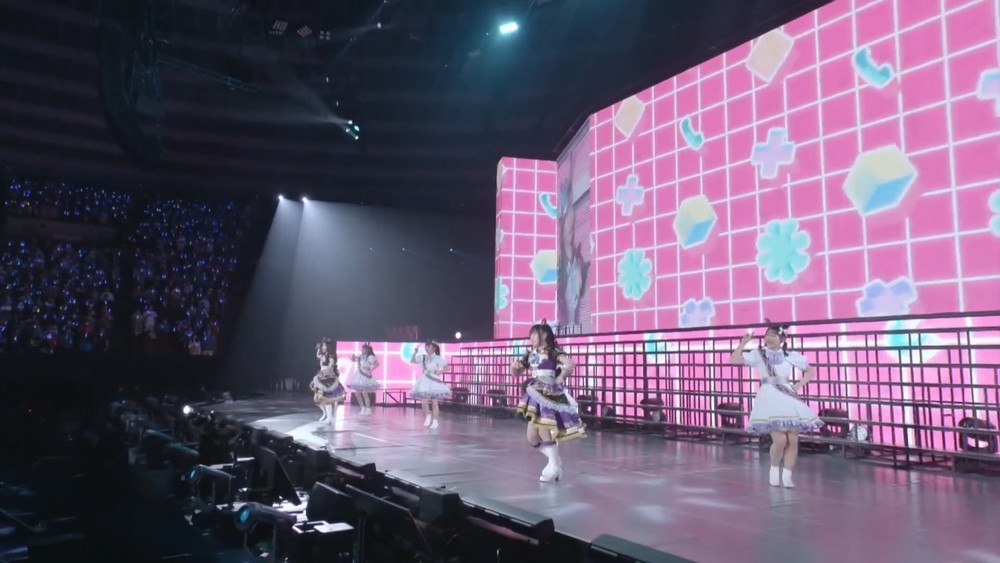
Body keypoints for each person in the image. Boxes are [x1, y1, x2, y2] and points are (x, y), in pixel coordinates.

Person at [729, 320, 823, 488]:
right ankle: (774, 469)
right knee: (780, 440)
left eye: (773, 335)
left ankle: (787, 476)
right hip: (770, 396)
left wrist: (798, 386)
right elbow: (734, 360)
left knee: (792, 440)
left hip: (787, 396)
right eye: (768, 335)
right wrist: (743, 343)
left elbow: (810, 370)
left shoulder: (789, 355)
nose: (769, 338)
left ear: (782, 339)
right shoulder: (759, 354)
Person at [512, 322, 586, 483]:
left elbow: (569, 363)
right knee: (532, 437)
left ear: (544, 335)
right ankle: (555, 461)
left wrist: (562, 376)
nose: (531, 338)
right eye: (530, 335)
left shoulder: (552, 352)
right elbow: (517, 372)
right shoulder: (530, 354)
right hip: (535, 392)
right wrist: (514, 367)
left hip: (548, 393)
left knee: (543, 426)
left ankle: (553, 467)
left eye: (534, 334)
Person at [410, 341, 450, 429]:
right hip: (424, 380)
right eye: (426, 347)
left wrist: (440, 371)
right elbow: (412, 360)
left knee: (434, 402)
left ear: (434, 348)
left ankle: (435, 421)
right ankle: (428, 415)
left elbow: (447, 367)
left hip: (434, 380)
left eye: (428, 347)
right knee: (424, 402)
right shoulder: (423, 357)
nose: (426, 348)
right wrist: (415, 352)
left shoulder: (438, 358)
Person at [311, 338, 346, 424]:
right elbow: (318, 356)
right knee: (317, 399)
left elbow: (330, 366)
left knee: (326, 398)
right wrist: (318, 348)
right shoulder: (324, 355)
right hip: (322, 378)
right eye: (322, 345)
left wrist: (323, 372)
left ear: (328, 346)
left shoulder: (331, 356)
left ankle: (329, 418)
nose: (323, 347)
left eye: (324, 345)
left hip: (328, 379)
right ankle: (325, 413)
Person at [349, 343, 381, 416]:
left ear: (367, 350)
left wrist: (371, 370)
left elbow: (377, 364)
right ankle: (362, 408)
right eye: (362, 349)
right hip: (359, 375)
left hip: (366, 375)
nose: (362, 350)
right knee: (357, 393)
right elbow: (354, 360)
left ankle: (368, 409)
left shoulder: (370, 357)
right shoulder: (360, 356)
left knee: (364, 393)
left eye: (364, 349)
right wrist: (353, 357)